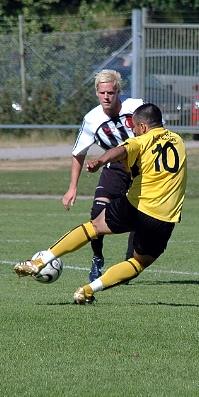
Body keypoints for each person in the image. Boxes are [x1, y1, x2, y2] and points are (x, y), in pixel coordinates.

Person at [14, 103, 187, 304]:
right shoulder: (179, 141)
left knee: (94, 226)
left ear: (144, 128)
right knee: (138, 263)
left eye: (135, 128)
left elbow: (121, 150)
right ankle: (86, 290)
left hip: (135, 205)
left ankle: (39, 261)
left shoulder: (140, 141)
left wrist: (101, 161)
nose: (134, 131)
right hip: (162, 217)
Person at [62, 69, 142, 283]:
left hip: (141, 168)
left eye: (111, 92)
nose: (106, 97)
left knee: (141, 216)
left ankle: (128, 264)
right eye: (102, 93)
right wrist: (72, 187)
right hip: (114, 168)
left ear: (118, 92)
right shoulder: (91, 119)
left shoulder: (136, 107)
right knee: (97, 212)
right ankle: (97, 258)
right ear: (97, 93)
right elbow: (78, 153)